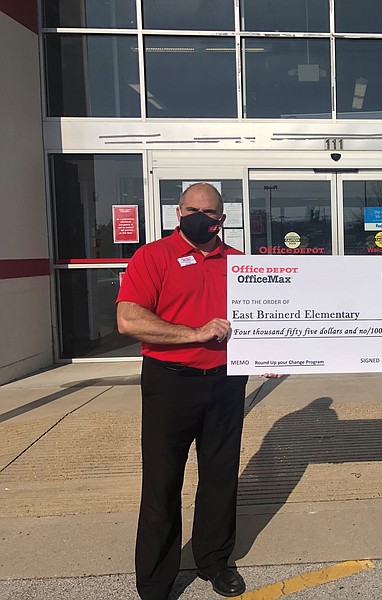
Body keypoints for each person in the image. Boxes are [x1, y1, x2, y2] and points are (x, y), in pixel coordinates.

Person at [117, 183, 248, 600]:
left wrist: (270, 356)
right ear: (178, 213)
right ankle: (155, 581)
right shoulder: (152, 256)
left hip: (226, 384)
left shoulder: (240, 264)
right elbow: (129, 319)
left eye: (211, 214)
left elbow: (265, 320)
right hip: (169, 383)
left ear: (222, 220)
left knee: (220, 478)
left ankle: (214, 561)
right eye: (194, 210)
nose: (202, 218)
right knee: (162, 481)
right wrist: (194, 333)